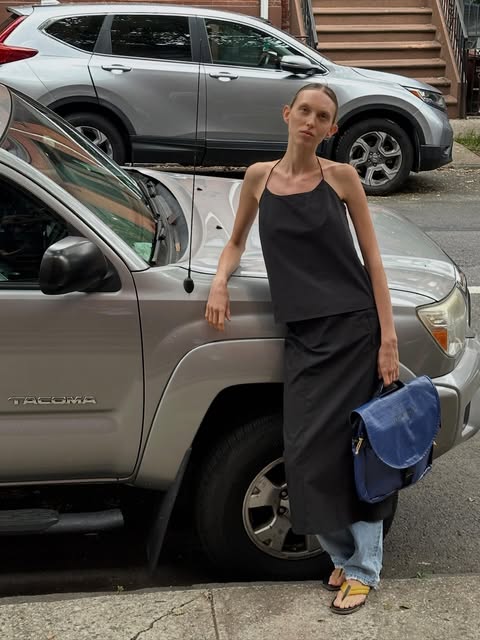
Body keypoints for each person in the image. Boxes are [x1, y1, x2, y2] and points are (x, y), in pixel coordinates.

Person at [205, 83, 399, 615]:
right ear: (288, 114)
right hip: (304, 336)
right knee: (305, 454)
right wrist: (220, 283)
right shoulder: (258, 177)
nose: (311, 122)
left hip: (353, 331)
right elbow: (236, 241)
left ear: (331, 129)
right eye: (305, 111)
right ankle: (342, 553)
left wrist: (387, 337)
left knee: (355, 454)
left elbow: (373, 260)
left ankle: (363, 567)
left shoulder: (342, 177)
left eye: (323, 116)